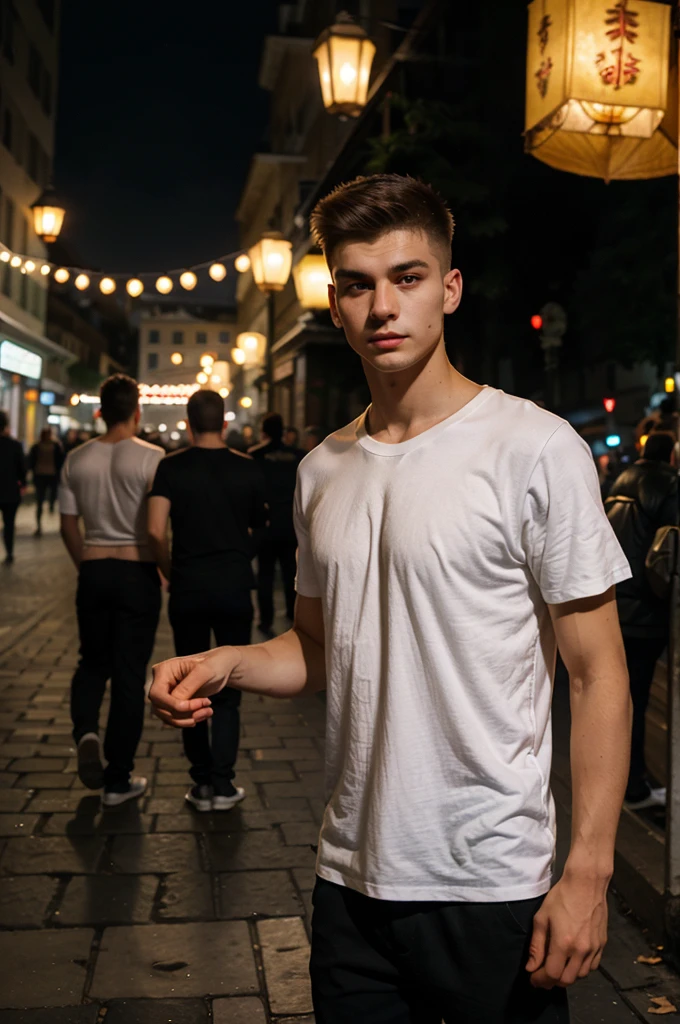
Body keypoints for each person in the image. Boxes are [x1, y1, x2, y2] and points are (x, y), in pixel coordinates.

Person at [149, 174, 633, 1023]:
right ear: (334, 303)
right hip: (350, 880)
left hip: (491, 881)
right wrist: (224, 662)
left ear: (448, 289)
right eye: (358, 283)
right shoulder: (321, 468)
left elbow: (598, 677)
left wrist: (588, 871)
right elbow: (316, 646)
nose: (383, 306)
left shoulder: (534, 448)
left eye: (408, 278)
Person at [148, 389, 266, 812]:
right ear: (225, 423)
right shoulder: (248, 469)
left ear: (188, 420)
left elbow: (156, 530)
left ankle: (199, 784)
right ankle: (223, 783)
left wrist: (168, 570)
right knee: (230, 687)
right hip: (234, 588)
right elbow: (261, 527)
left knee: (189, 685)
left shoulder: (170, 467)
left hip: (189, 588)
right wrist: (239, 557)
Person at [59, 374, 164, 806]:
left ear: (100, 410)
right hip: (136, 571)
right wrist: (166, 569)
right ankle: (118, 781)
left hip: (94, 568)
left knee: (91, 661)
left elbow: (68, 525)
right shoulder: (153, 457)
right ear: (136, 410)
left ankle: (85, 729)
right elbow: (159, 528)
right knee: (127, 675)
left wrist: (86, 561)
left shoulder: (77, 459)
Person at [605, 431, 678, 811]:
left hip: (616, 601)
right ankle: (633, 786)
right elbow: (668, 550)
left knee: (622, 698)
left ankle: (631, 778)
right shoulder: (667, 485)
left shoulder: (620, 481)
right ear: (669, 455)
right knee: (637, 697)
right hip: (646, 609)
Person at [248, 412, 302, 636]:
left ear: (264, 431)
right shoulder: (298, 456)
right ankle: (293, 613)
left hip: (265, 524)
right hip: (290, 523)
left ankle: (265, 619)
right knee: (292, 571)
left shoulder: (255, 456)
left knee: (265, 574)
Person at [0, 410, 26, 565]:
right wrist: (22, 483)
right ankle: (9, 551)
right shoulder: (14, 445)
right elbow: (22, 469)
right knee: (9, 523)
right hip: (10, 491)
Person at [29, 427, 64, 536]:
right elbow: (61, 461)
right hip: (48, 475)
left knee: (41, 499)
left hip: (43, 475)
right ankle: (49, 508)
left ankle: (43, 517)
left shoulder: (39, 446)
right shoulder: (53, 446)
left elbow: (31, 461)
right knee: (46, 497)